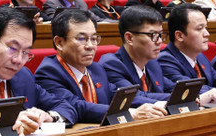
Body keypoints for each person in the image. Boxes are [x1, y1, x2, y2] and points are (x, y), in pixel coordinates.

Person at [35, 9, 165, 122]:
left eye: (93, 39)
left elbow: (121, 96)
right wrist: (131, 113)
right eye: (81, 39)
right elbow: (76, 106)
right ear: (59, 42)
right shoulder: (49, 71)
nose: (90, 46)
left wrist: (162, 104)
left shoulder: (96, 69)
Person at [156, 5, 216, 102]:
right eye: (199, 29)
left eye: (206, 27)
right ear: (179, 35)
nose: (207, 33)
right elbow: (192, 89)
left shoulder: (200, 57)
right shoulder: (165, 60)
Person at [99, 5, 170, 106]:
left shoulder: (152, 63)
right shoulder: (112, 64)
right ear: (129, 38)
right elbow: (132, 97)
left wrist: (195, 95)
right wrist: (175, 100)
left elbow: (174, 88)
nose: (159, 41)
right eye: (152, 35)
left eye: (160, 35)